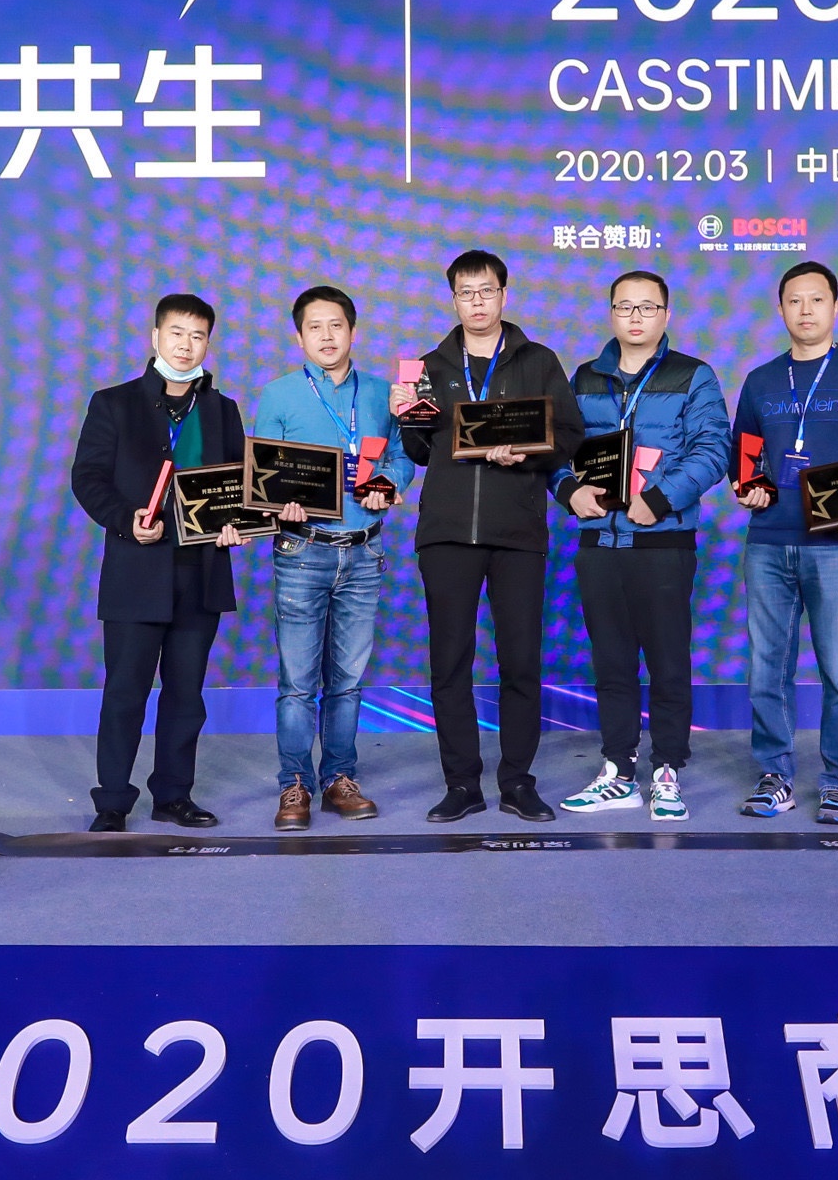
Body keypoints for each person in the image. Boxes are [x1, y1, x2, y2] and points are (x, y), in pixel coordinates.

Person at [400, 250, 585, 824]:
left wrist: (526, 451)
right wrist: (407, 416)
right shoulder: (427, 366)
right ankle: (462, 784)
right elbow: (417, 451)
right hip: (448, 532)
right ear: (453, 299)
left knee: (520, 661)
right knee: (450, 663)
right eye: (466, 293)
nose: (476, 302)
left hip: (517, 532)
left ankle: (517, 782)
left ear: (504, 294)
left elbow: (570, 435)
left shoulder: (538, 360)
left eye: (486, 291)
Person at [549, 269, 731, 821]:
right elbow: (555, 448)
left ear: (666, 315)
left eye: (647, 307)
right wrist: (568, 491)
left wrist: (662, 498)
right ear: (611, 313)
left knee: (668, 662)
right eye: (625, 307)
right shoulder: (584, 377)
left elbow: (713, 449)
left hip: (663, 542)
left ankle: (667, 770)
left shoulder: (693, 375)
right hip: (599, 544)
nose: (635, 317)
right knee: (611, 663)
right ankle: (618, 771)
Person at [68, 292, 251, 832]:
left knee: (186, 696)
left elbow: (239, 487)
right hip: (137, 570)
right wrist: (127, 521)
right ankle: (112, 802)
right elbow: (88, 478)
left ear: (208, 343)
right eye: (177, 333)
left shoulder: (221, 409)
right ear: (155, 337)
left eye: (198, 336)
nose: (186, 345)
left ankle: (174, 795)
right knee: (125, 692)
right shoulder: (114, 403)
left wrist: (239, 522)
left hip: (201, 573)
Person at [731, 261, 838, 825]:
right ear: (780, 309)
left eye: (816, 299)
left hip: (834, 544)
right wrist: (747, 488)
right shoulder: (761, 380)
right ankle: (774, 775)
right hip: (768, 541)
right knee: (766, 669)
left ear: (835, 307)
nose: (805, 310)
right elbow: (744, 456)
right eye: (794, 301)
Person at [250, 285, 412, 831]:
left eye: (336, 325)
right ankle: (294, 784)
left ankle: (340, 777)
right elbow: (264, 476)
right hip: (303, 550)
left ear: (353, 332)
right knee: (298, 682)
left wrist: (390, 482)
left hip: (364, 552)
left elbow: (402, 456)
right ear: (299, 337)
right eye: (314, 327)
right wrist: (281, 503)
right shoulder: (278, 395)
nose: (326, 336)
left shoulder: (383, 393)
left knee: (347, 680)